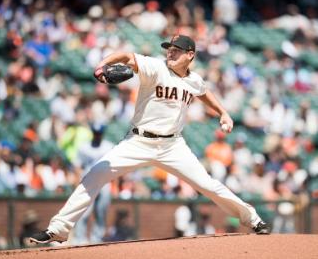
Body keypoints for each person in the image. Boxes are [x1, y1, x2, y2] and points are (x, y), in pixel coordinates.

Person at [30, 34, 269, 244]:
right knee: (95, 175)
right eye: (169, 49)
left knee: (207, 185)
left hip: (173, 146)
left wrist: (223, 112)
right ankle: (58, 229)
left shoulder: (193, 80)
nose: (170, 53)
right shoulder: (155, 67)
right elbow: (125, 56)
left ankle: (253, 219)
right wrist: (103, 65)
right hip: (138, 141)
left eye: (176, 50)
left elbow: (204, 92)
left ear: (190, 55)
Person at [72, 124, 114, 244]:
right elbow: (77, 166)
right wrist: (78, 182)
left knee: (101, 211)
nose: (97, 135)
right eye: (96, 133)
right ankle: (79, 239)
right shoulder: (84, 147)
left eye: (99, 133)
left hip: (104, 182)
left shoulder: (109, 146)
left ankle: (97, 238)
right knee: (84, 211)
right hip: (88, 182)